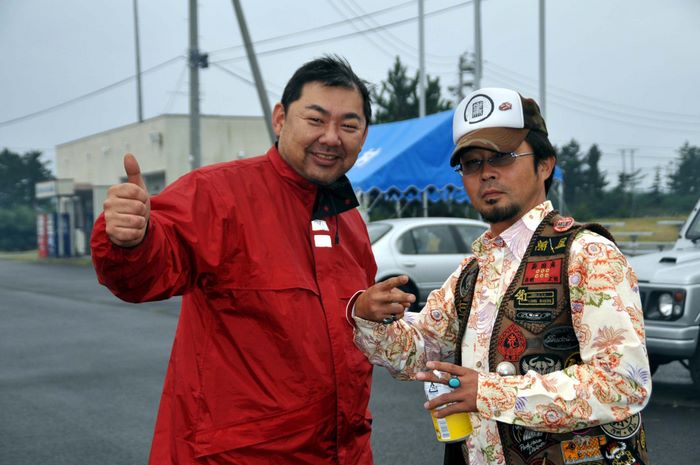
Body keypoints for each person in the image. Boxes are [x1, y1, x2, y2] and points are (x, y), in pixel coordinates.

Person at [91, 56, 385, 465]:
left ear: (364, 135)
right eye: (316, 120)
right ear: (280, 119)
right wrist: (131, 240)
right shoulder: (218, 194)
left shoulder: (349, 221)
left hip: (342, 451)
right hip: (236, 455)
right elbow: (147, 273)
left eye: (349, 126)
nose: (331, 137)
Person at [351, 87, 652, 465]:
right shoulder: (474, 270)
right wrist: (367, 315)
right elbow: (417, 354)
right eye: (472, 163)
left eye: (503, 157)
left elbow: (623, 383)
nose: (486, 173)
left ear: (545, 165)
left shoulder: (587, 254)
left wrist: (489, 393)